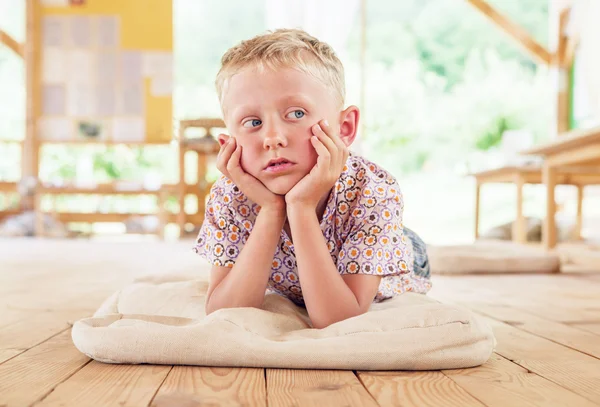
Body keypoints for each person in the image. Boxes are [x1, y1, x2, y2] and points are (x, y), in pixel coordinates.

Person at [193, 28, 431, 329]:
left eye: (295, 114)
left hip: (400, 256)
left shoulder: (373, 191)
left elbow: (337, 320)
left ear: (343, 128)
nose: (273, 138)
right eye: (252, 122)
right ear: (228, 142)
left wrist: (302, 207)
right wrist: (271, 210)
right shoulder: (230, 196)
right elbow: (223, 312)